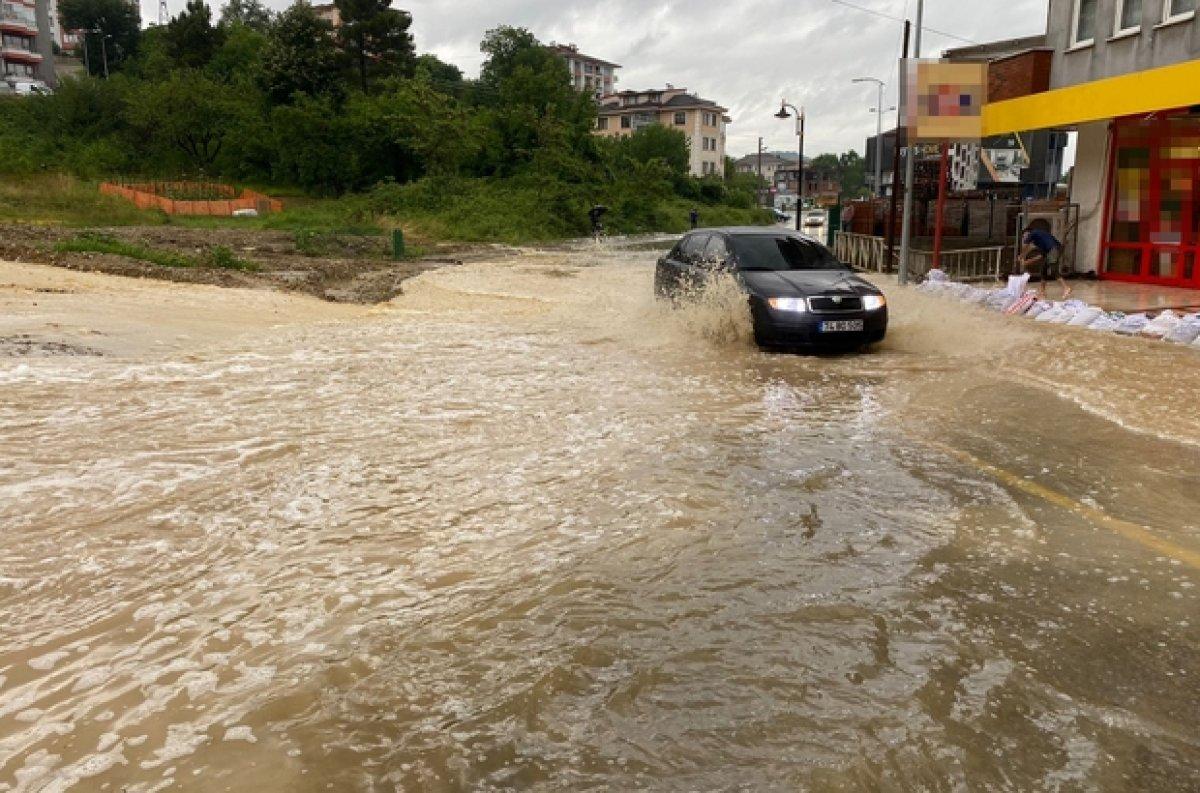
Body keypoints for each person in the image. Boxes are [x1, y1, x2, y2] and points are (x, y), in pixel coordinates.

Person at [1018, 226, 1071, 300]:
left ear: (1028, 233)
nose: (1024, 237)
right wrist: (1028, 262)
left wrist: (1021, 255)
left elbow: (1026, 246)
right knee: (1043, 269)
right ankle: (1043, 292)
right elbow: (1041, 256)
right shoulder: (1039, 241)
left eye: (1024, 235)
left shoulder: (1034, 232)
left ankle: (1066, 288)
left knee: (1053, 270)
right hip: (1052, 250)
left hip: (1054, 249)